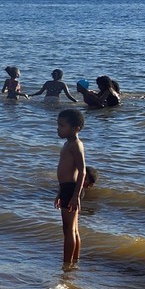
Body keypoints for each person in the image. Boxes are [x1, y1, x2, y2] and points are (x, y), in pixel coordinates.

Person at [55, 108, 87, 267]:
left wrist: (75, 195)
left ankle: (67, 265)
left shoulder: (76, 145)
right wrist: (60, 192)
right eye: (58, 125)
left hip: (72, 189)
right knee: (70, 228)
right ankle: (74, 261)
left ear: (76, 129)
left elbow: (82, 170)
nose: (58, 128)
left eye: (62, 126)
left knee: (70, 230)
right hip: (66, 188)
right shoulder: (68, 144)